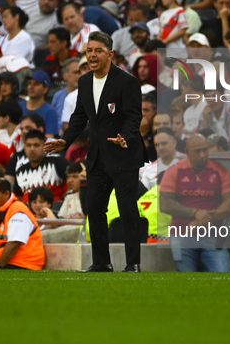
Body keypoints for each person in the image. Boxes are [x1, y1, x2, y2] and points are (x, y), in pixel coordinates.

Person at [44, 31, 148, 273]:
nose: (92, 55)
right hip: (97, 157)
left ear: (110, 54)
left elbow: (134, 117)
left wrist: (126, 137)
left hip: (124, 155)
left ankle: (133, 263)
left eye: (98, 51)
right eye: (89, 51)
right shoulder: (84, 81)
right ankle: (102, 262)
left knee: (127, 209)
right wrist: (64, 141)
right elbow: (79, 118)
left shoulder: (127, 81)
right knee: (94, 209)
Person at [159, 134, 230, 272]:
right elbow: (165, 204)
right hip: (182, 234)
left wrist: (202, 220)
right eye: (197, 151)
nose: (202, 155)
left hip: (213, 235)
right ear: (187, 152)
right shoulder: (174, 171)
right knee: (188, 281)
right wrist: (195, 212)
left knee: (225, 277)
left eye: (205, 150)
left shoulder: (220, 171)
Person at [14, 130, 68, 202]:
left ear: (45, 146)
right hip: (27, 211)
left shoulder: (57, 163)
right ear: (24, 148)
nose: (32, 149)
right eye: (29, 145)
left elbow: (75, 179)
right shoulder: (20, 171)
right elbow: (18, 198)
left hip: (55, 210)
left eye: (36, 145)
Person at [20, 70, 59, 138]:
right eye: (29, 83)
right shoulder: (18, 106)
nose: (31, 87)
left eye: (36, 84)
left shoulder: (50, 112)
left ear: (45, 89)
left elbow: (49, 139)